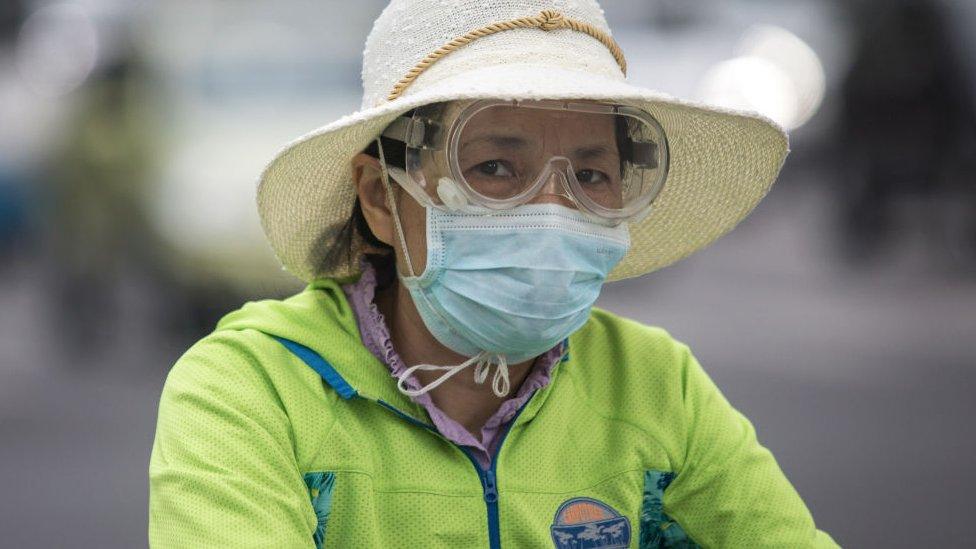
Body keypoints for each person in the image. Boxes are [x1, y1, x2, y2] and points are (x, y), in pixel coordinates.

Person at [148, 1, 839, 547]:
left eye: (592, 175)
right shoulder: (250, 391)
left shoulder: (658, 387)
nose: (552, 211)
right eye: (495, 168)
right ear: (382, 198)